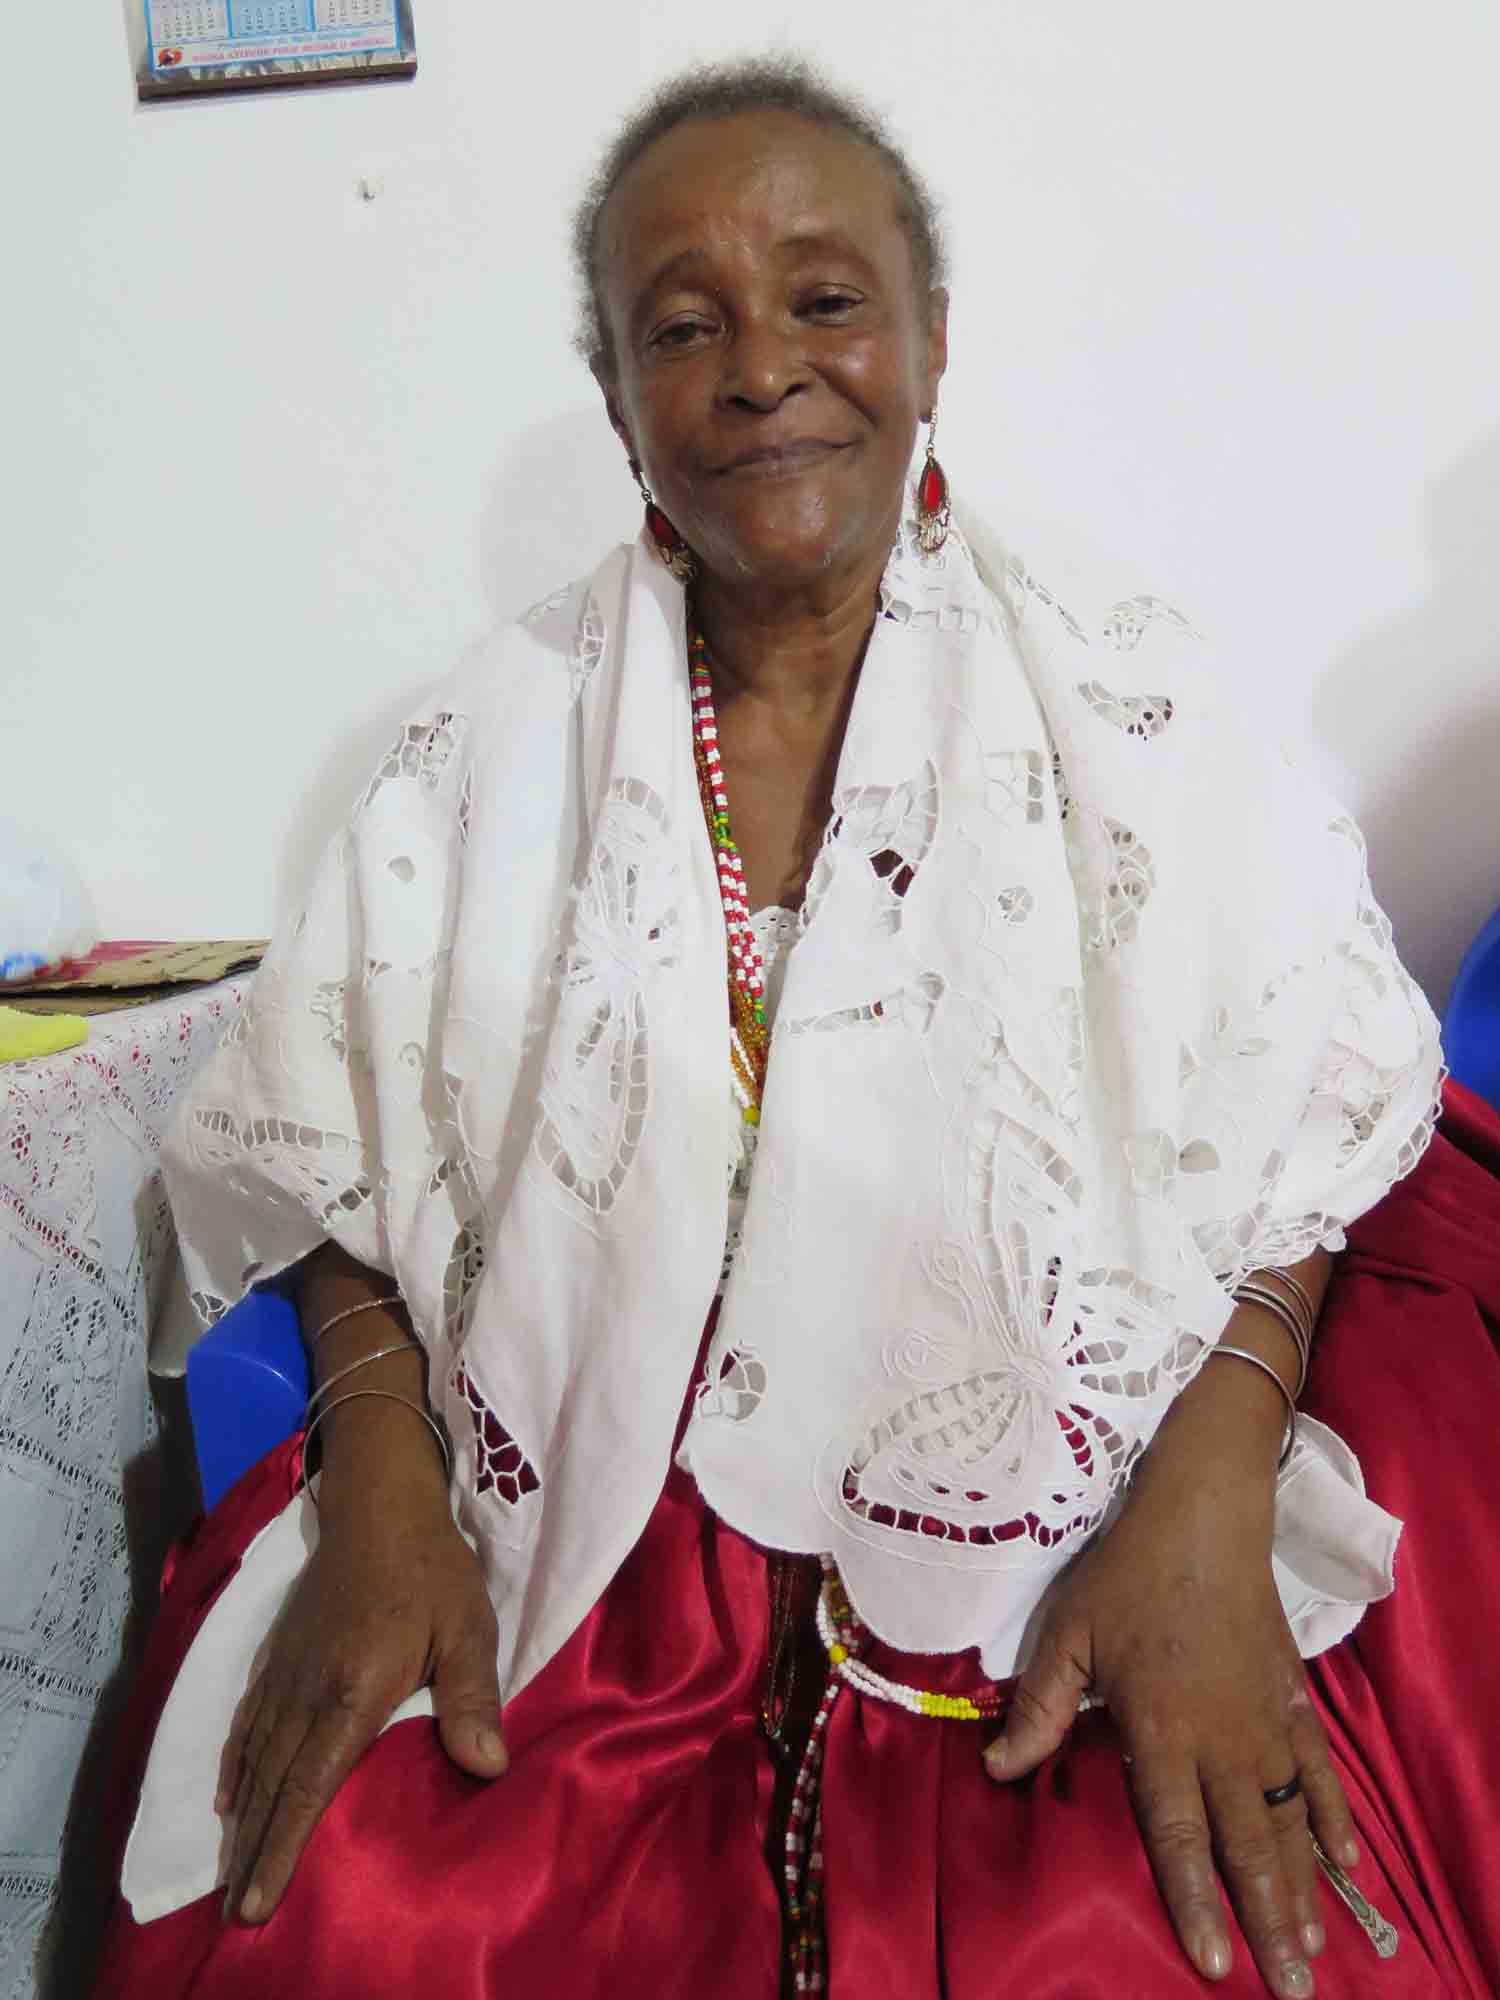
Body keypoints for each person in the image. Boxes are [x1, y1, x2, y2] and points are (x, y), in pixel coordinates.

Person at [96, 55, 1500, 2000]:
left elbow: (1316, 1120)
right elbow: (334, 1153)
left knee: (1168, 1937)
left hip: (1059, 1513)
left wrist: (1208, 1488)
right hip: (588, 1534)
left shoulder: (1136, 711)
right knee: (341, 1911)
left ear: (932, 340)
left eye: (825, 299)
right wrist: (388, 1486)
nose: (763, 368)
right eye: (684, 328)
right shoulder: (481, 751)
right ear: (617, 398)